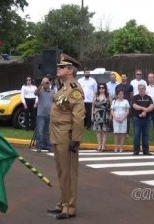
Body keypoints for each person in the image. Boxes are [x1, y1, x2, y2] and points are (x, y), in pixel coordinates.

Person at [47, 53, 84, 220]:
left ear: (70, 70)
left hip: (66, 134)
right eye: (58, 66)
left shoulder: (75, 88)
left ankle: (70, 206)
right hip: (56, 133)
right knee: (61, 171)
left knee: (68, 172)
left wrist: (75, 139)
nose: (58, 68)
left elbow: (79, 116)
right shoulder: (63, 87)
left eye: (61, 67)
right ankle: (63, 203)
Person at [34, 76, 55, 152]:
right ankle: (39, 146)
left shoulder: (52, 91)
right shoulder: (40, 91)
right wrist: (41, 85)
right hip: (41, 115)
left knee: (48, 132)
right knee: (40, 131)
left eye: (47, 82)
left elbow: (55, 101)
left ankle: (48, 146)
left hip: (49, 115)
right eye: (45, 82)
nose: (46, 83)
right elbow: (35, 93)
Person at [132, 84, 154, 155]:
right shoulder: (135, 97)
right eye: (140, 89)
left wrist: (145, 111)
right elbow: (135, 106)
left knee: (146, 135)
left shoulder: (149, 97)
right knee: (137, 134)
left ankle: (146, 150)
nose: (141, 90)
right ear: (138, 90)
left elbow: (152, 106)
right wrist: (144, 109)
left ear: (145, 89)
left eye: (142, 89)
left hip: (147, 119)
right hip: (137, 119)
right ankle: (136, 150)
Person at [91, 83, 111, 152]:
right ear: (98, 89)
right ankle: (99, 145)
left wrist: (110, 116)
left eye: (103, 88)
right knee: (98, 131)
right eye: (100, 88)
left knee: (104, 131)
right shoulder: (95, 96)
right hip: (97, 115)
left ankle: (103, 146)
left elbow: (111, 107)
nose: (101, 89)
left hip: (105, 115)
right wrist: (92, 115)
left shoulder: (108, 96)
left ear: (105, 88)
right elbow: (93, 106)